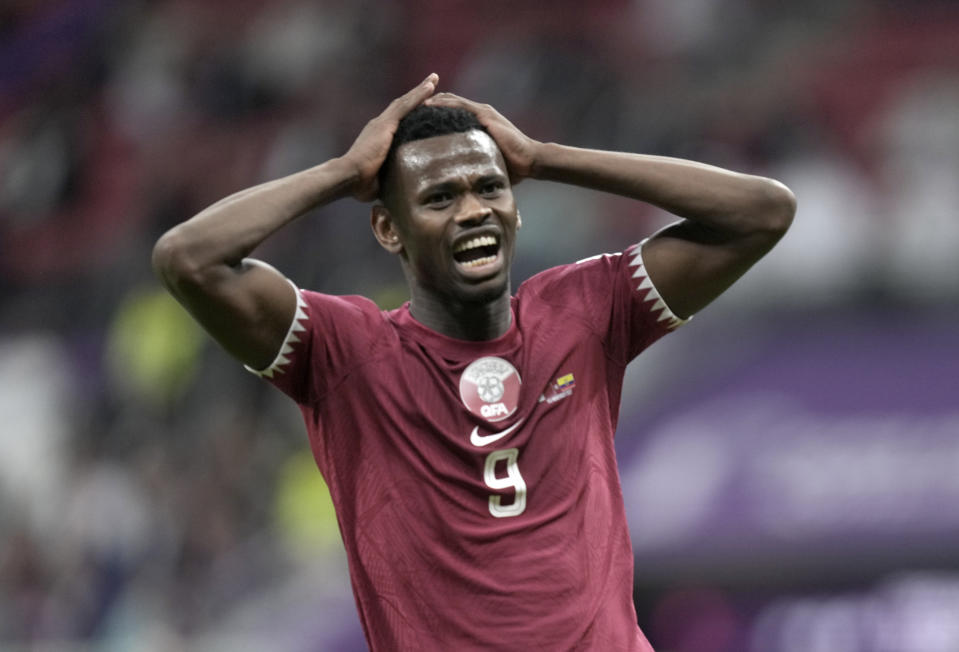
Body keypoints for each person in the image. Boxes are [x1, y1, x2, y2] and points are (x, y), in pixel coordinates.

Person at [152, 73, 795, 651]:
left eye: (490, 187)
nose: (473, 210)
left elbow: (761, 213)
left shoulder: (585, 313)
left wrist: (544, 159)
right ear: (387, 229)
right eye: (438, 199)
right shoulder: (343, 352)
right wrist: (346, 172)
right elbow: (190, 258)